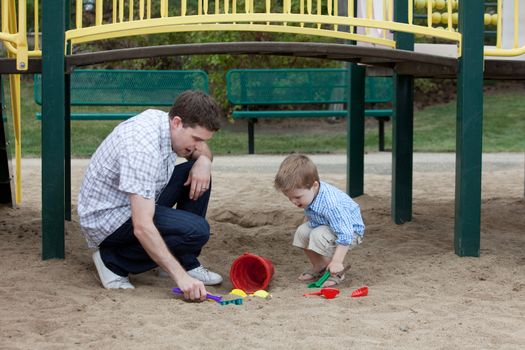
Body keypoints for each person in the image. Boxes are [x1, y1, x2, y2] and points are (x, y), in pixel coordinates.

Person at [78, 90, 222, 301]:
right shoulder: (141, 147)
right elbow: (142, 226)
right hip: (108, 219)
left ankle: (184, 260)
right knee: (196, 231)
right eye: (196, 139)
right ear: (177, 122)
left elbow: (202, 151)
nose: (199, 146)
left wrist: (204, 162)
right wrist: (180, 278)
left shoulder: (167, 125)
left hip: (134, 200)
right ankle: (113, 262)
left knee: (199, 175)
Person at [274, 154, 365, 287]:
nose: (294, 201)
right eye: (289, 198)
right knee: (302, 232)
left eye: (297, 197)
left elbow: (346, 234)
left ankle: (336, 272)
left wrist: (337, 262)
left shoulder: (331, 204)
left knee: (317, 235)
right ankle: (320, 266)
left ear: (315, 186)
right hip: (328, 225)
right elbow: (312, 214)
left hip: (351, 232)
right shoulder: (310, 194)